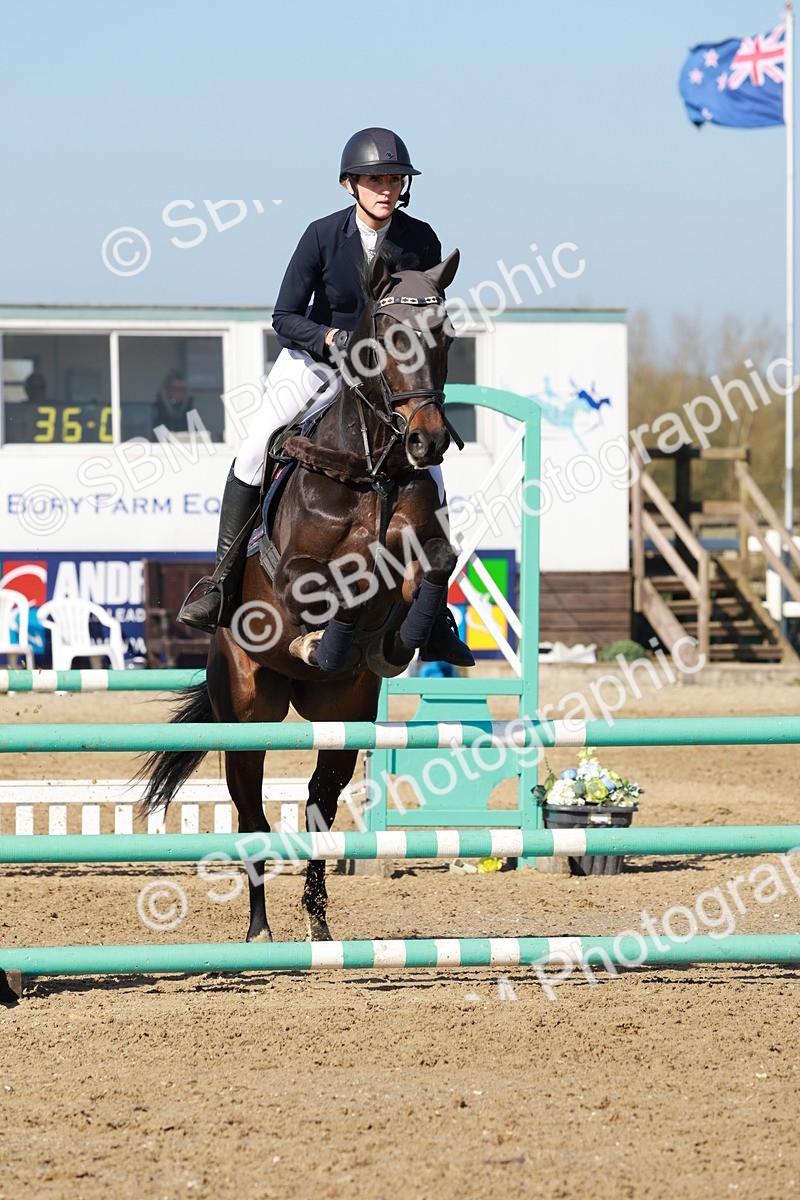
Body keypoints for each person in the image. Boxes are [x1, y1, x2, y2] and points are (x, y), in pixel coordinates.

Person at [179, 126, 472, 666]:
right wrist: (331, 338)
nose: (386, 188)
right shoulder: (320, 236)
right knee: (253, 447)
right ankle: (219, 582)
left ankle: (437, 610)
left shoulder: (421, 240)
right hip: (317, 364)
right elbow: (284, 316)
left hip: (385, 377)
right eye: (375, 179)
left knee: (432, 471)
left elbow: (425, 315)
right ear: (350, 185)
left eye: (394, 179)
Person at [152, 370, 191, 434]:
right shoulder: (157, 409)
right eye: (176, 389)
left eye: (183, 389)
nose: (180, 393)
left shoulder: (189, 409)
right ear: (167, 390)